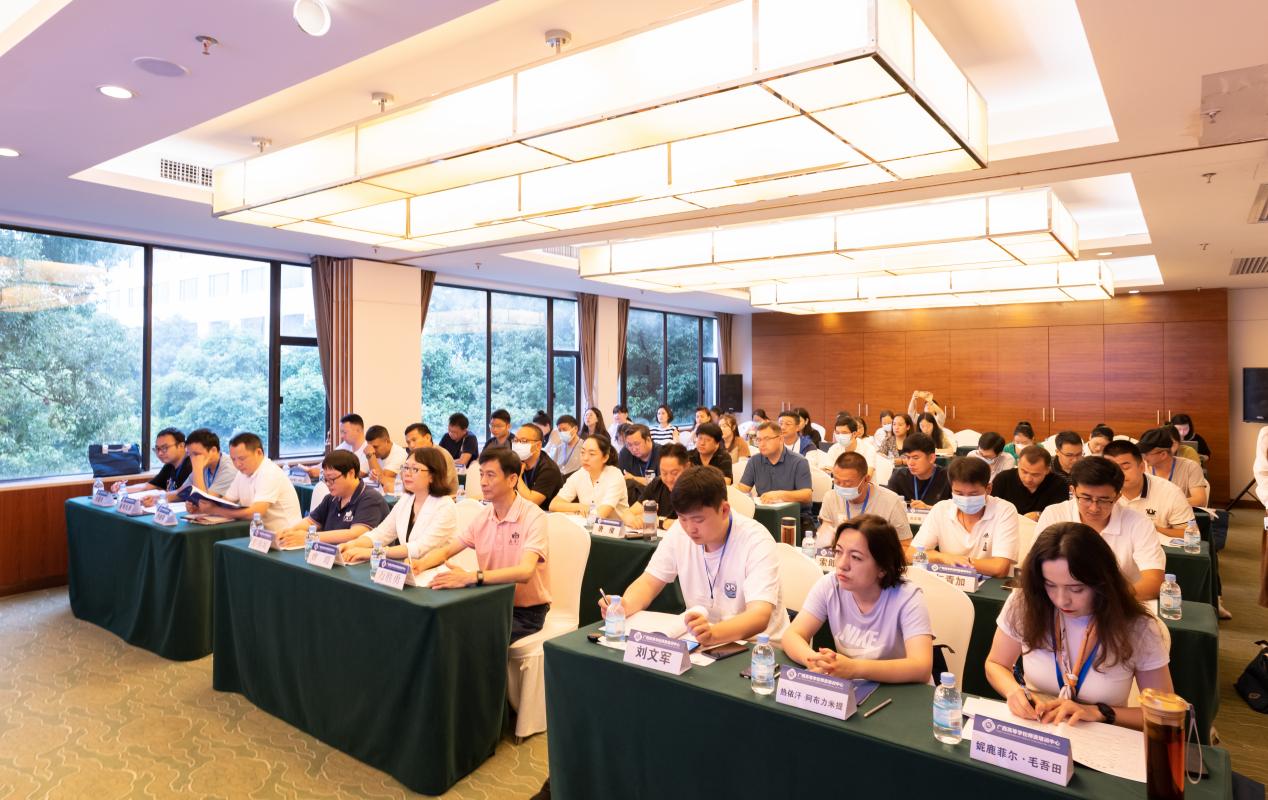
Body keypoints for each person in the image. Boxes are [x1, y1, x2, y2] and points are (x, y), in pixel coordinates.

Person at [985, 522, 1173, 729]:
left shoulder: (1137, 627)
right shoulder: (1026, 603)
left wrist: (1099, 712)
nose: (1061, 600)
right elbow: (996, 664)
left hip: (1100, 738)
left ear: (1102, 581)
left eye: (1076, 589)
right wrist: (1013, 690)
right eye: (1050, 585)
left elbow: (1164, 715)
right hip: (1038, 729)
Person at [600, 466, 787, 643]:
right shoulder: (679, 532)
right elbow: (649, 583)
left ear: (724, 510)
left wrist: (714, 634)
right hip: (700, 641)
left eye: (698, 519)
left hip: (757, 646)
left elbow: (759, 616)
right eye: (682, 518)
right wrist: (625, 606)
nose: (690, 529)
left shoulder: (756, 540)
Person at [414, 449, 551, 642]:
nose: (483, 482)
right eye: (481, 474)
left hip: (525, 612)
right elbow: (446, 551)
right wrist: (419, 565)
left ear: (512, 480)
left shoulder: (534, 516)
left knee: (469, 637)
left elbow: (525, 571)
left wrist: (471, 577)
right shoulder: (484, 516)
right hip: (489, 600)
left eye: (491, 475)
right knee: (442, 625)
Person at [784, 515, 933, 683]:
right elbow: (792, 635)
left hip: (901, 690)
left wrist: (856, 668)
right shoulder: (830, 585)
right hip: (855, 687)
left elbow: (921, 667)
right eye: (838, 551)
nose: (842, 564)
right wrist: (814, 660)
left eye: (856, 557)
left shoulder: (908, 598)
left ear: (883, 568)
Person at [1035, 457, 1164, 600]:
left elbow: (1154, 582)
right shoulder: (1054, 515)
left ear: (1117, 497)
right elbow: (1035, 567)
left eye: (1104, 500)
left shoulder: (1138, 523)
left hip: (1118, 602)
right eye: (1086, 498)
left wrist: (1099, 600)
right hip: (1060, 600)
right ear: (1073, 491)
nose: (1094, 508)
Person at [339, 447, 457, 564]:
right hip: (409, 566)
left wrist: (372, 553)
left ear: (433, 475)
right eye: (406, 467)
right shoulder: (407, 499)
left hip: (438, 570)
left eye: (415, 469)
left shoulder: (445, 506)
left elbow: (419, 548)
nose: (407, 473)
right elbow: (382, 533)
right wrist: (352, 544)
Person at [907, 456, 1019, 578]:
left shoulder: (1004, 510)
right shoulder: (941, 509)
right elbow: (912, 554)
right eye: (959, 493)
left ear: (988, 489)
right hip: (951, 582)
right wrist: (942, 557)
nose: (966, 499)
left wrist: (960, 561)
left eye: (973, 494)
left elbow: (1000, 568)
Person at [188, 432, 300, 531]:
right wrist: (203, 509)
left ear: (259, 452)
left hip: (286, 537)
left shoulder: (269, 472)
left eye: (242, 458)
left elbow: (255, 513)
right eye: (233, 459)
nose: (237, 464)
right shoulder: (242, 473)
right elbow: (226, 502)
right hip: (258, 534)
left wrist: (215, 510)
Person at [277, 450, 390, 547]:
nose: (327, 484)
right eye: (325, 479)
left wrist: (310, 537)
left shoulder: (370, 498)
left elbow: (356, 534)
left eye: (332, 479)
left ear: (351, 473)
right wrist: (289, 532)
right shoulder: (331, 498)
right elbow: (310, 522)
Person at [1103, 440, 1194, 540]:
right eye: (1112, 469)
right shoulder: (1098, 491)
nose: (1118, 474)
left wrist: (1151, 529)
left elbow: (1192, 534)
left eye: (1125, 467)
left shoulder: (1170, 492)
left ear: (1142, 467)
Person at [817, 451, 912, 546]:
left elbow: (905, 544)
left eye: (847, 483)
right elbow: (825, 533)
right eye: (837, 481)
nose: (841, 487)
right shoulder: (830, 497)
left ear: (866, 479)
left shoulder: (891, 501)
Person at [737, 421, 813, 529]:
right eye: (758, 440)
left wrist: (779, 495)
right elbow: (743, 488)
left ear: (780, 439)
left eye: (767, 439)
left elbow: (807, 495)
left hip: (795, 518)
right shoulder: (754, 461)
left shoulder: (799, 462)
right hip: (765, 515)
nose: (761, 444)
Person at [550, 434, 628, 520]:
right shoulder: (579, 475)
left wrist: (585, 510)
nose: (585, 458)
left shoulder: (615, 475)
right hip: (587, 525)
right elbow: (553, 505)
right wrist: (579, 506)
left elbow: (602, 513)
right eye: (582, 452)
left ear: (605, 458)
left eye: (592, 454)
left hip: (616, 526)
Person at [990, 445, 1070, 521]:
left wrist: (1039, 515)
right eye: (1024, 472)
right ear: (1018, 463)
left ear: (1047, 470)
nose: (1028, 479)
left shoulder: (1059, 484)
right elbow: (992, 509)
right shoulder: (1003, 479)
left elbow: (1060, 515)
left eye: (1035, 474)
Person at [1138, 427, 1209, 507]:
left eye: (1146, 454)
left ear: (1163, 455)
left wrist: (1165, 504)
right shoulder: (1141, 468)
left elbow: (1200, 500)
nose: (1143, 457)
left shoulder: (1190, 467)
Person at [623, 444, 688, 531]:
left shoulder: (695, 488)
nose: (669, 479)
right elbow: (627, 513)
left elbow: (689, 524)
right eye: (664, 473)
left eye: (674, 473)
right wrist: (634, 520)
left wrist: (658, 521)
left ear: (687, 467)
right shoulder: (657, 484)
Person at [122, 427, 192, 503]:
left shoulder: (190, 466)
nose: (160, 453)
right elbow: (147, 486)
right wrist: (122, 489)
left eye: (164, 448)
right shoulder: (169, 465)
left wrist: (157, 498)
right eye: (157, 449)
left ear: (181, 446)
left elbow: (182, 494)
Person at [886, 433, 951, 509]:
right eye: (908, 457)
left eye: (915, 458)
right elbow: (887, 505)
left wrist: (928, 508)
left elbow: (956, 510)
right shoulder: (899, 476)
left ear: (931, 458)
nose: (910, 463)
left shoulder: (948, 477)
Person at [513, 424, 563, 511]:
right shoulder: (516, 461)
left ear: (538, 445)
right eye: (515, 440)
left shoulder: (549, 469)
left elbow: (532, 502)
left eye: (523, 441)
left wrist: (518, 476)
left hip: (546, 515)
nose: (518, 444)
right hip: (521, 511)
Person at [308, 413, 369, 478]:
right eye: (341, 432)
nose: (341, 436)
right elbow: (329, 460)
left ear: (358, 430)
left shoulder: (368, 448)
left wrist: (322, 473)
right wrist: (310, 469)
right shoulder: (346, 445)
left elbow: (359, 474)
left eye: (344, 432)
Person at [404, 422, 458, 494]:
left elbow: (440, 485)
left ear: (427, 437)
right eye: (408, 442)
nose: (411, 445)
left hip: (442, 497)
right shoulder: (413, 457)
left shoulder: (442, 455)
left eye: (414, 440)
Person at [364, 425, 408, 494]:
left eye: (375, 447)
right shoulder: (372, 451)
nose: (373, 450)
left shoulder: (400, 454)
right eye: (370, 447)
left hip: (395, 495)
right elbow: (368, 474)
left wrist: (370, 456)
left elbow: (382, 479)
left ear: (387, 441)